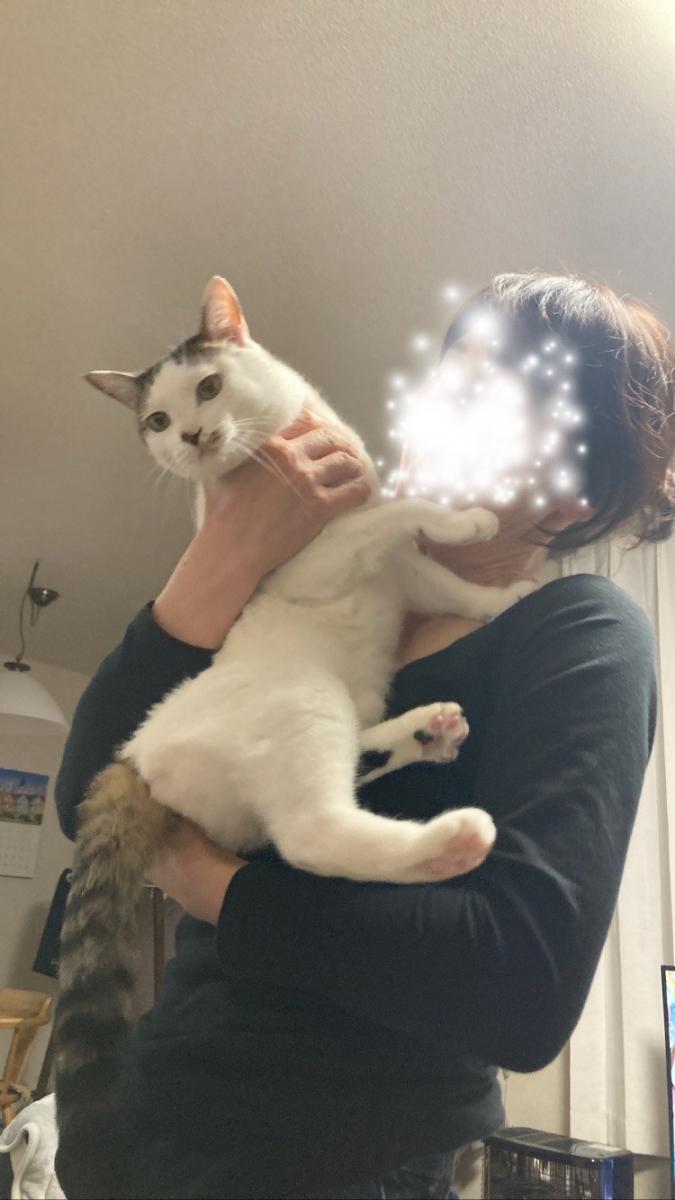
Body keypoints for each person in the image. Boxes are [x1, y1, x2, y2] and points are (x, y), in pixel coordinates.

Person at [55, 273, 674, 1199]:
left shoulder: (579, 632)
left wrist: (208, 881)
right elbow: (88, 801)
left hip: (345, 1155)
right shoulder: (310, 589)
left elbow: (519, 989)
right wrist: (227, 548)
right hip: (153, 1121)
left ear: (569, 498)